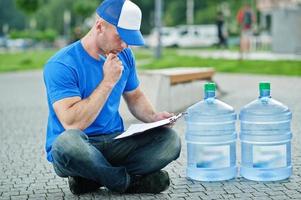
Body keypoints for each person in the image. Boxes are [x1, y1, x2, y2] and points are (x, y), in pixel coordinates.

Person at [43, 0, 181, 195]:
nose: (124, 45)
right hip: (80, 145)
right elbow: (73, 124)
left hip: (115, 141)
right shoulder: (61, 64)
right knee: (66, 144)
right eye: (120, 37)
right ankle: (126, 183)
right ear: (100, 26)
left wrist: (153, 117)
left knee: (170, 140)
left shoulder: (125, 55)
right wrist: (108, 81)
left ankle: (91, 178)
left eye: (129, 39)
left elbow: (135, 96)